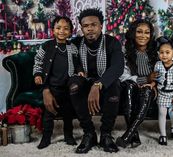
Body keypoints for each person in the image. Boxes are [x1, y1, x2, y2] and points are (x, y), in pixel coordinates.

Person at [68, 8, 124, 153]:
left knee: (115, 84)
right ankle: (89, 134)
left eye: (94, 24)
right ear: (81, 28)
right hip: (84, 83)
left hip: (104, 84)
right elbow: (67, 61)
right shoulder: (75, 43)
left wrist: (97, 85)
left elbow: (118, 67)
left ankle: (106, 134)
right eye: (86, 26)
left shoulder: (112, 42)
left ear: (101, 26)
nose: (90, 29)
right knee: (74, 84)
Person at [33, 16, 84, 149]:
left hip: (67, 86)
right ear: (53, 30)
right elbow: (38, 61)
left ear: (70, 32)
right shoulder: (47, 46)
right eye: (58, 28)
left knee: (68, 114)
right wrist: (38, 74)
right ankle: (46, 137)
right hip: (52, 86)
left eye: (66, 28)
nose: (62, 31)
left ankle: (68, 135)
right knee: (48, 115)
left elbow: (77, 62)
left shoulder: (72, 47)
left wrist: (79, 71)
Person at [116, 19, 159, 148]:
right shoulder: (125, 52)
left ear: (151, 35)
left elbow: (164, 71)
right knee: (129, 85)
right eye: (139, 32)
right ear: (133, 33)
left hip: (150, 88)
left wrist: (153, 83)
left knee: (146, 91)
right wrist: (145, 79)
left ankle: (128, 135)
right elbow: (123, 76)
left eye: (147, 32)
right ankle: (134, 136)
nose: (143, 36)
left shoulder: (156, 52)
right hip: (132, 87)